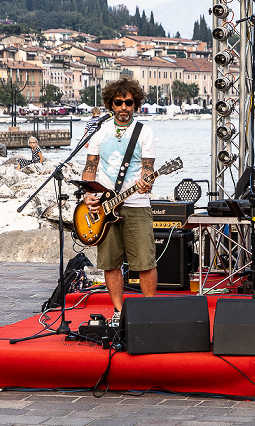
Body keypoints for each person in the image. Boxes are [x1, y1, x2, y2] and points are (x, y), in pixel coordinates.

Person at [81, 78, 157, 327]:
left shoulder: (144, 132)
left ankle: (147, 312)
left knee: (144, 261)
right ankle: (118, 311)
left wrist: (148, 182)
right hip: (103, 207)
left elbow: (148, 169)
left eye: (129, 102)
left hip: (136, 203)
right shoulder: (100, 132)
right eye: (119, 102)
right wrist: (87, 195)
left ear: (135, 104)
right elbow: (90, 167)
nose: (124, 107)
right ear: (110, 104)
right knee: (110, 262)